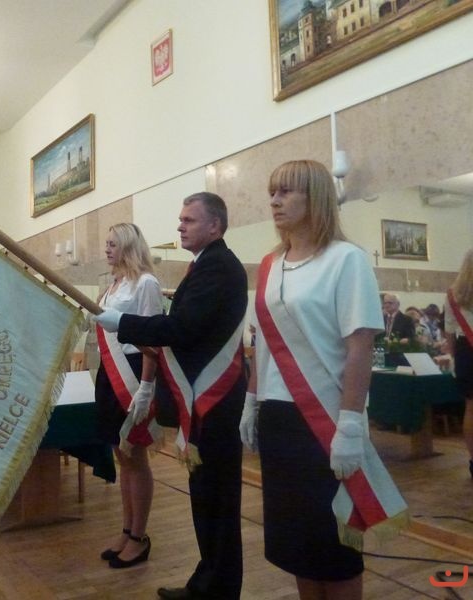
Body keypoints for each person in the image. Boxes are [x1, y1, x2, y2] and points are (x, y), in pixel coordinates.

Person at [240, 160, 406, 600]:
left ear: (314, 196)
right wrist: (251, 400)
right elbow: (265, 343)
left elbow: (359, 346)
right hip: (278, 418)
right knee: (297, 543)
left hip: (328, 418)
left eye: (286, 192)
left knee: (334, 547)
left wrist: (350, 425)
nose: (275, 201)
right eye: (272, 192)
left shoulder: (346, 259)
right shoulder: (270, 265)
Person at [96, 192, 248, 600]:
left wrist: (123, 323)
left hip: (214, 398)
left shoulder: (219, 267)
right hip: (202, 399)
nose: (180, 225)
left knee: (216, 498)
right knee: (205, 495)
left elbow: (182, 328)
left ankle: (217, 588)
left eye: (189, 220)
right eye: (181, 219)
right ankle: (206, 582)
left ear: (215, 225)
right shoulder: (205, 264)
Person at [94, 223, 163, 569]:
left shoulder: (146, 283)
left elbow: (152, 338)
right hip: (109, 372)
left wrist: (147, 387)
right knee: (121, 454)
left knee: (135, 453)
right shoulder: (113, 284)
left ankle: (139, 536)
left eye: (113, 244)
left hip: (134, 372)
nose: (107, 249)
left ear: (128, 246)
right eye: (106, 243)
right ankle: (126, 529)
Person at [444, 249, 473, 478]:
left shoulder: (453, 294)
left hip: (465, 352)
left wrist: (455, 358)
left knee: (470, 408)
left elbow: (449, 333)